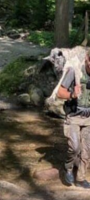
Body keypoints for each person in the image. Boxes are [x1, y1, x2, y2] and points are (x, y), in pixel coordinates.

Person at [57, 51, 90, 188]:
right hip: (74, 116)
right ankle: (68, 167)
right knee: (75, 148)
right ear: (87, 59)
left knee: (87, 150)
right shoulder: (74, 71)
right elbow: (59, 92)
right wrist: (72, 94)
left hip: (89, 118)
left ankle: (81, 178)